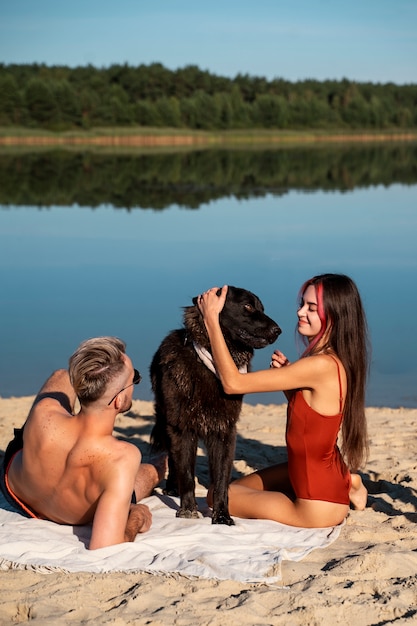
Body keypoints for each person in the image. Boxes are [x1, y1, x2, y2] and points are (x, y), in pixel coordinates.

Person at [197, 274, 369, 528]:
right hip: (319, 473)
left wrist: (211, 320)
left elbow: (233, 383)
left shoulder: (319, 365)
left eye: (312, 308)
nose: (300, 312)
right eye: (302, 304)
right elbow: (316, 415)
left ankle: (345, 486)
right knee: (232, 488)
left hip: (316, 507)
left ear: (335, 315)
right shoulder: (333, 359)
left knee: (216, 496)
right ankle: (349, 482)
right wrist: (292, 386)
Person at [1, 337, 166, 549]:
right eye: (135, 379)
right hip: (72, 514)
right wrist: (137, 517)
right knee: (153, 471)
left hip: (17, 491)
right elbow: (104, 545)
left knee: (60, 376)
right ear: (118, 400)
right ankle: (161, 464)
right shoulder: (122, 457)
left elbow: (62, 379)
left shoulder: (45, 412)